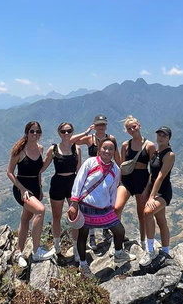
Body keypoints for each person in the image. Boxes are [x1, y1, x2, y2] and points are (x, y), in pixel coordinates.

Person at [68, 139, 135, 277]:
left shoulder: (115, 170)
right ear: (99, 149)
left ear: (113, 152)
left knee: (119, 230)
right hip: (86, 205)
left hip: (104, 208)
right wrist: (74, 202)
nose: (107, 151)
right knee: (83, 235)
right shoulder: (90, 163)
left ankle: (118, 253)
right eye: (104, 148)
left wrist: (110, 206)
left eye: (110, 149)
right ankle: (83, 264)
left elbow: (113, 190)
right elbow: (79, 181)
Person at [6, 121, 56, 267]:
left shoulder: (40, 148)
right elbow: (9, 172)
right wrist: (22, 189)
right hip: (22, 188)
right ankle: (36, 250)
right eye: (32, 131)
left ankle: (18, 253)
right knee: (40, 210)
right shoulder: (19, 151)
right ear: (26, 133)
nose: (35, 134)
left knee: (25, 219)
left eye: (37, 131)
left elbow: (38, 172)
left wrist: (40, 189)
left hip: (34, 187)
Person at [71, 114, 121, 249]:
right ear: (94, 125)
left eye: (103, 124)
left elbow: (117, 157)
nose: (101, 127)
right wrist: (87, 131)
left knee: (106, 203)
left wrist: (119, 174)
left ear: (106, 125)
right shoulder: (89, 139)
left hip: (107, 174)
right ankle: (92, 237)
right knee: (90, 208)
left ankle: (106, 231)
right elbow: (70, 141)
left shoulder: (111, 139)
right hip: (92, 175)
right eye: (98, 124)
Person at [42, 122, 82, 261]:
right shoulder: (53, 150)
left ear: (72, 132)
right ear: (59, 133)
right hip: (58, 183)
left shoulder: (77, 149)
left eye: (69, 131)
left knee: (74, 217)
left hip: (73, 184)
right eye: (63, 131)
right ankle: (57, 246)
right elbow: (42, 167)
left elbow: (79, 171)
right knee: (56, 216)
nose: (66, 134)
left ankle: (76, 249)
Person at [117, 115, 156, 250]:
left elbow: (153, 169)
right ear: (126, 131)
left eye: (134, 127)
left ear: (139, 125)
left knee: (141, 214)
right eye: (129, 128)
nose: (132, 130)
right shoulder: (125, 145)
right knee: (116, 208)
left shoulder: (150, 145)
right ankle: (117, 241)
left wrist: (147, 188)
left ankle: (143, 242)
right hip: (127, 181)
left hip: (142, 181)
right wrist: (117, 183)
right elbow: (122, 165)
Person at [140, 126, 175, 267]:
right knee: (161, 220)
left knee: (147, 212)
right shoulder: (156, 152)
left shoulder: (169, 155)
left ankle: (150, 251)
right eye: (159, 135)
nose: (160, 138)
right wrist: (146, 190)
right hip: (153, 190)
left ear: (168, 138)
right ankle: (166, 250)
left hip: (163, 191)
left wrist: (151, 197)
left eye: (164, 136)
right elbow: (152, 174)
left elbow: (160, 177)